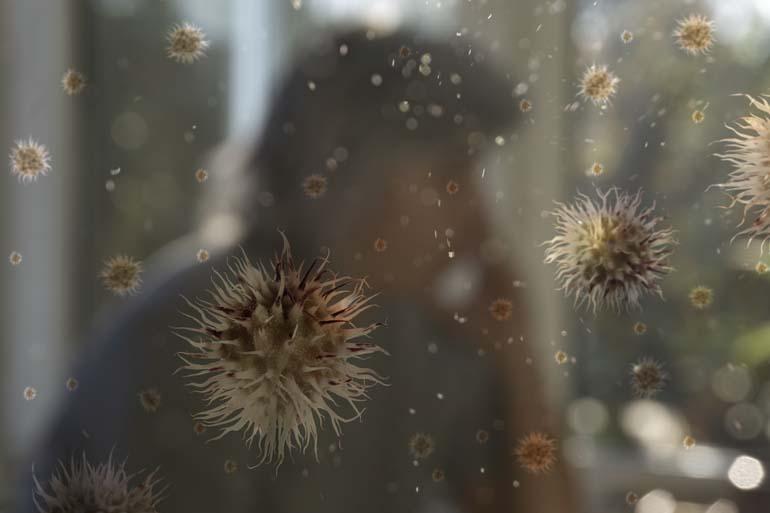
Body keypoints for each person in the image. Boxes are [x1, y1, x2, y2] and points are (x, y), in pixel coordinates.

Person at [19, 29, 577, 513]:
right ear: (341, 169)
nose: (480, 220)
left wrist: (516, 361)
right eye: (449, 174)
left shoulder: (407, 331)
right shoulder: (189, 342)